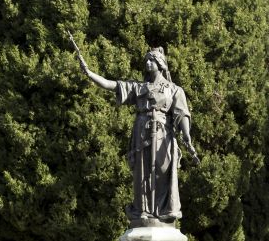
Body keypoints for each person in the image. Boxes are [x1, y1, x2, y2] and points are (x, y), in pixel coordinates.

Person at [75, 44, 199, 223]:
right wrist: (89, 73)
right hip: (142, 133)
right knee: (142, 173)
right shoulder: (139, 87)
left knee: (163, 171)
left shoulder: (174, 89)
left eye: (151, 60)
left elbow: (182, 114)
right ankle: (143, 211)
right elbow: (112, 85)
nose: (148, 63)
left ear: (160, 63)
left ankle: (165, 211)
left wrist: (186, 136)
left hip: (164, 133)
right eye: (146, 60)